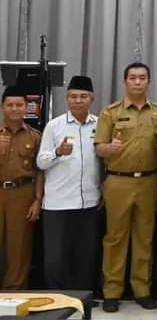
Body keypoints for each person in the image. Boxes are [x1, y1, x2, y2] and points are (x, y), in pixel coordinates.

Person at [95, 62, 157, 312]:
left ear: (149, 82)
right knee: (115, 238)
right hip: (118, 181)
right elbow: (99, 148)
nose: (137, 82)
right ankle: (112, 292)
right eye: (133, 78)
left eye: (142, 78)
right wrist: (110, 148)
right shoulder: (110, 113)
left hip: (150, 181)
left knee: (144, 237)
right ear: (125, 82)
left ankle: (142, 290)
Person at [36, 75, 102, 291]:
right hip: (58, 204)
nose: (78, 101)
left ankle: (81, 299)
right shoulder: (54, 126)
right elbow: (41, 162)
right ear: (67, 99)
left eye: (83, 96)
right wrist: (57, 152)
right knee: (55, 260)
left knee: (85, 257)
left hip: (89, 203)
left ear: (91, 99)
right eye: (73, 96)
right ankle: (57, 300)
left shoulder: (100, 125)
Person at [0, 86, 43, 289]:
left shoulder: (34, 136)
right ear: (3, 107)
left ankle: (14, 292)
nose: (15, 109)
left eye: (19, 105)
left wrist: (38, 200)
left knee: (19, 246)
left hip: (23, 193)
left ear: (26, 107)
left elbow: (40, 170)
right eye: (10, 105)